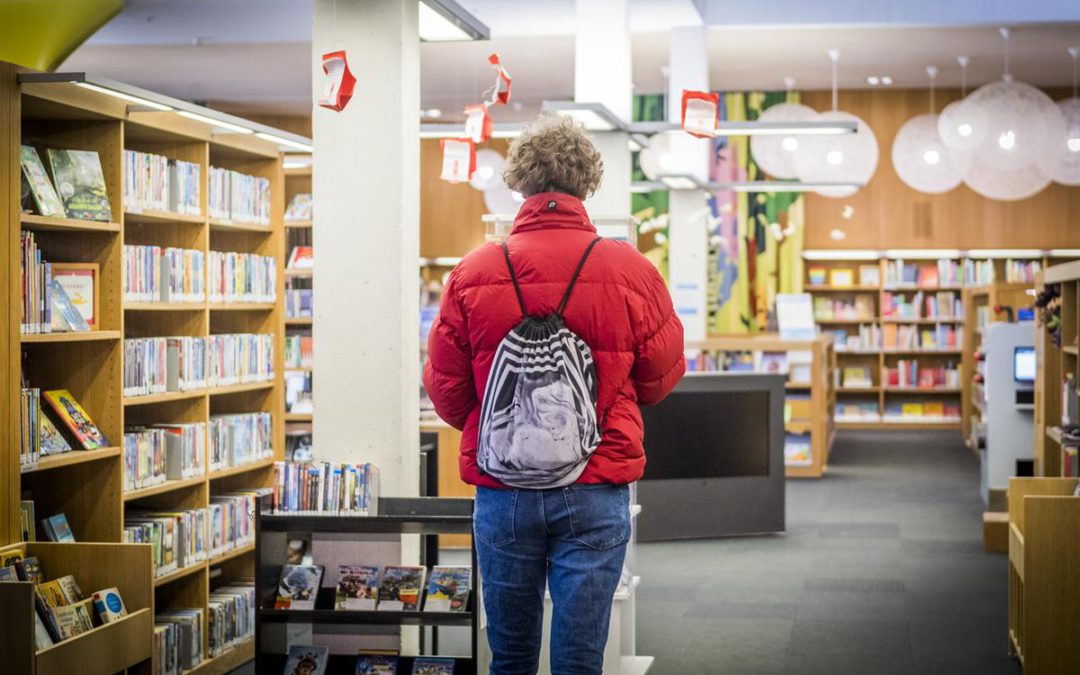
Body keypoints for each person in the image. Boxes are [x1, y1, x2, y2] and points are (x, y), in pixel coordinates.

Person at [423, 112, 685, 675]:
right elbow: (662, 378)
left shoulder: (473, 272)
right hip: (596, 479)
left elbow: (447, 394)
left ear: (518, 181)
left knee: (511, 654)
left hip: (503, 482)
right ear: (588, 182)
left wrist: (506, 413)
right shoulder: (632, 270)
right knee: (580, 659)